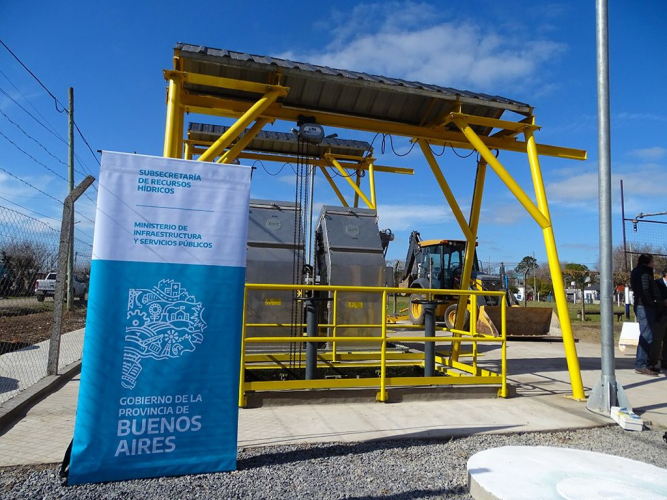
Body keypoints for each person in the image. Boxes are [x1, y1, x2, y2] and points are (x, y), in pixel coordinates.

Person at [630, 254, 662, 376]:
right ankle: (641, 364)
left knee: (649, 335)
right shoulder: (643, 273)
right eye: (652, 262)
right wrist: (652, 303)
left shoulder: (642, 272)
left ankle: (647, 363)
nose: (653, 264)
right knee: (647, 335)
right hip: (644, 307)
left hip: (644, 306)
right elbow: (644, 290)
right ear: (648, 262)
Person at [654, 269, 667, 371]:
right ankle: (653, 362)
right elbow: (654, 297)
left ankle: (665, 362)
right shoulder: (657, 283)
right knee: (657, 340)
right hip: (660, 314)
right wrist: (661, 302)